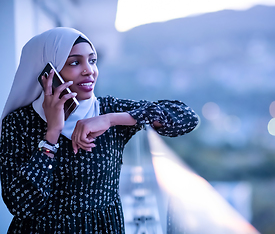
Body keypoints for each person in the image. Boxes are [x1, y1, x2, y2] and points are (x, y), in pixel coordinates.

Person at [0, 27, 199, 233]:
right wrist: (52, 134)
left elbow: (186, 118)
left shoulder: (107, 110)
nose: (89, 70)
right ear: (48, 72)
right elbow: (20, 205)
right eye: (75, 62)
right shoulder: (19, 122)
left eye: (92, 61)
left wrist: (111, 119)